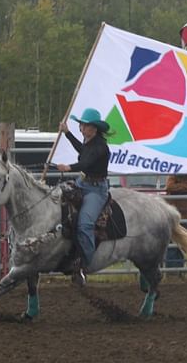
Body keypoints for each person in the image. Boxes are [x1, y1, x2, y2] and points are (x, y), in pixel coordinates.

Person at [57, 108, 111, 286]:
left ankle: (85, 264)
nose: (81, 127)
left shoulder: (101, 147)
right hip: (83, 183)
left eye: (84, 125)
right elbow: (82, 150)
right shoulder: (89, 142)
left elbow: (86, 162)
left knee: (85, 224)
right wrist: (67, 133)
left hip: (96, 190)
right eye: (81, 124)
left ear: (94, 128)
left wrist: (69, 167)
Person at [164, 175, 187, 267]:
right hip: (173, 213)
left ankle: (177, 268)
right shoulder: (173, 175)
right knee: (173, 242)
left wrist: (180, 185)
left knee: (179, 243)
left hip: (185, 215)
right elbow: (170, 187)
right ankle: (173, 270)